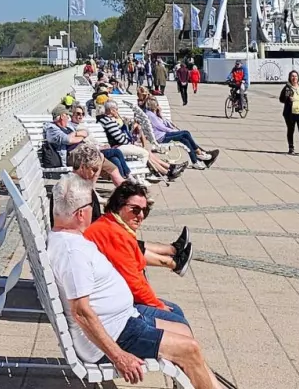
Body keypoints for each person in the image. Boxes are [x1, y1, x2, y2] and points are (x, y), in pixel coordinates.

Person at [45, 176, 221, 388]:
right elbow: (81, 312)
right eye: (92, 205)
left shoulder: (68, 239)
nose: (94, 210)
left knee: (183, 332)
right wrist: (119, 356)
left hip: (123, 320)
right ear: (81, 213)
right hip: (116, 334)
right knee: (189, 349)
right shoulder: (73, 253)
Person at [85, 182, 192, 318]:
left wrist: (155, 302)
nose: (141, 215)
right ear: (118, 206)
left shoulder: (114, 225)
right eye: (135, 210)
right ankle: (174, 259)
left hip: (116, 298)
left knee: (175, 311)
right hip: (110, 308)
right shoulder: (113, 234)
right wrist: (157, 305)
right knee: (175, 319)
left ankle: (174, 256)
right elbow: (132, 281)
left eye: (144, 211)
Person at [98, 102, 185, 182]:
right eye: (117, 109)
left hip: (119, 145)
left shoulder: (108, 120)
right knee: (144, 152)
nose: (118, 111)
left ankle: (169, 169)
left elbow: (121, 136)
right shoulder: (108, 122)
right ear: (112, 110)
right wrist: (131, 140)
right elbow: (121, 139)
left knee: (146, 151)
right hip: (117, 147)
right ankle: (168, 171)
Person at [139, 97, 220, 167]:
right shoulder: (151, 115)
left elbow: (163, 123)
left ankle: (195, 161)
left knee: (185, 140)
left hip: (161, 135)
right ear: (154, 106)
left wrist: (160, 115)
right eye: (157, 105)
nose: (158, 106)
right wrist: (174, 131)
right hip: (162, 137)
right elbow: (161, 127)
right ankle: (199, 153)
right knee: (186, 133)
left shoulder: (151, 113)